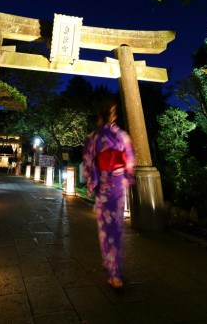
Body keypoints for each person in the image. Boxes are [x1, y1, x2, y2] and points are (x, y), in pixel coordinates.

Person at [82, 100, 135, 290]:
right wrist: (126, 177)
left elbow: (88, 162)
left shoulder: (94, 137)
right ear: (113, 116)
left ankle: (114, 273)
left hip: (104, 185)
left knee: (106, 230)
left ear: (100, 117)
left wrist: (91, 181)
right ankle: (112, 264)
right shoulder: (123, 136)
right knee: (116, 229)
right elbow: (129, 161)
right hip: (119, 186)